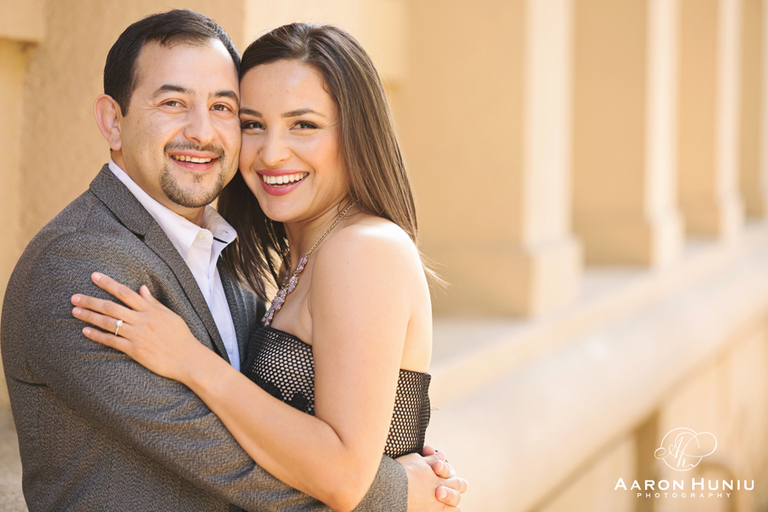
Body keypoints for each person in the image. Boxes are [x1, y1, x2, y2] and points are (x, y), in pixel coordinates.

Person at [1, 10, 464, 512]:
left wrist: (192, 360)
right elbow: (214, 450)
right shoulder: (78, 265)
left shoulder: (326, 252)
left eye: (222, 108)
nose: (203, 132)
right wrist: (395, 491)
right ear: (114, 121)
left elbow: (303, 448)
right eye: (173, 102)